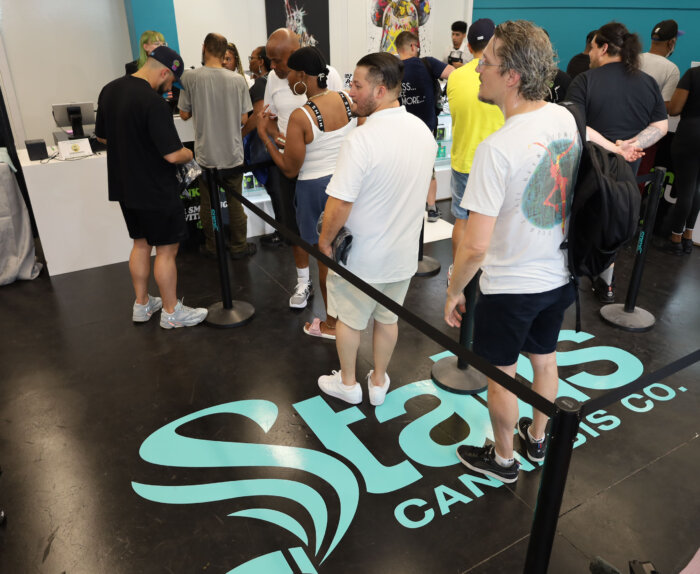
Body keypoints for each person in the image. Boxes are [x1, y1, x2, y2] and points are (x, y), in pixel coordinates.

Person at [444, 20, 581, 483]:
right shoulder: (562, 117)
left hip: (511, 286)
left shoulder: (496, 149)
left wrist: (453, 290)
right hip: (558, 274)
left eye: (488, 62)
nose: (478, 67)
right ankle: (538, 440)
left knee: (501, 374)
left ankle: (503, 459)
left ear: (513, 77)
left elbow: (476, 245)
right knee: (544, 359)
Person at [317, 52, 436, 406]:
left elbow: (339, 204)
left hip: (360, 258)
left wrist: (324, 243)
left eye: (357, 84)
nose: (350, 91)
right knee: (387, 319)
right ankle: (379, 381)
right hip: (402, 255)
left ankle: (350, 383)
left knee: (350, 322)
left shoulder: (361, 140)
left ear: (380, 90)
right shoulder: (422, 132)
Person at [96, 46, 208, 329]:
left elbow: (102, 137)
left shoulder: (109, 90)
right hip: (155, 188)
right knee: (167, 250)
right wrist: (189, 153)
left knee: (140, 243)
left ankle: (142, 304)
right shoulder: (152, 102)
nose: (168, 88)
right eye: (169, 82)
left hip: (125, 186)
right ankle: (171, 312)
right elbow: (172, 154)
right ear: (164, 71)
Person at [258, 47, 357, 340]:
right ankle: (350, 318)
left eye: (289, 72)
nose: (285, 79)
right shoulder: (345, 98)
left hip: (314, 190)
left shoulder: (302, 115)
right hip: (345, 183)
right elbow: (325, 142)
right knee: (345, 256)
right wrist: (284, 138)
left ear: (302, 75)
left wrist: (266, 136)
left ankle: (330, 324)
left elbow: (289, 169)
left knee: (324, 259)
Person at [566, 21, 667, 303]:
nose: (589, 53)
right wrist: (630, 146)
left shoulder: (585, 80)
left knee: (577, 219)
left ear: (604, 47)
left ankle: (570, 274)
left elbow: (577, 125)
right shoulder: (647, 82)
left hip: (588, 168)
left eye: (593, 46)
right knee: (612, 222)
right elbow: (660, 125)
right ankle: (606, 285)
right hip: (627, 171)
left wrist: (618, 147)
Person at [263, 28, 343, 309]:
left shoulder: (328, 75)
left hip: (322, 172)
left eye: (277, 60)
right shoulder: (273, 79)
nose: (272, 66)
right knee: (297, 230)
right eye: (270, 60)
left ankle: (337, 292)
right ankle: (303, 281)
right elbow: (270, 118)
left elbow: (339, 114)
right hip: (291, 165)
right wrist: (275, 135)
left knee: (330, 232)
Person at [178, 33, 255, 260]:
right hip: (232, 154)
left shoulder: (190, 77)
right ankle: (239, 246)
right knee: (235, 203)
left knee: (209, 204)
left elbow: (183, 114)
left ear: (204, 48)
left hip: (206, 155)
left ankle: (213, 246)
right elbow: (243, 120)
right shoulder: (237, 80)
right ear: (224, 54)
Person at [445, 18, 503, 278]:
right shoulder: (504, 76)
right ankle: (485, 272)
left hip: (464, 159)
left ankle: (458, 271)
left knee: (462, 219)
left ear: (468, 46)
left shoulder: (455, 77)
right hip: (496, 164)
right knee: (494, 223)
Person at [396, 30, 454, 222]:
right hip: (426, 129)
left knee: (403, 170)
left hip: (402, 130)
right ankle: (431, 208)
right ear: (413, 46)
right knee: (428, 170)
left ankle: (405, 210)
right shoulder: (428, 63)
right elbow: (454, 75)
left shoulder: (393, 69)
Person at [664, 66, 700, 255]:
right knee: (697, 189)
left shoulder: (693, 74)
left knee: (686, 189)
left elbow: (675, 109)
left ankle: (675, 239)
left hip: (690, 134)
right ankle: (688, 237)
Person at [639, 20, 682, 111]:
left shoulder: (633, 59)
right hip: (647, 122)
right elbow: (664, 107)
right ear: (671, 42)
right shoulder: (671, 69)